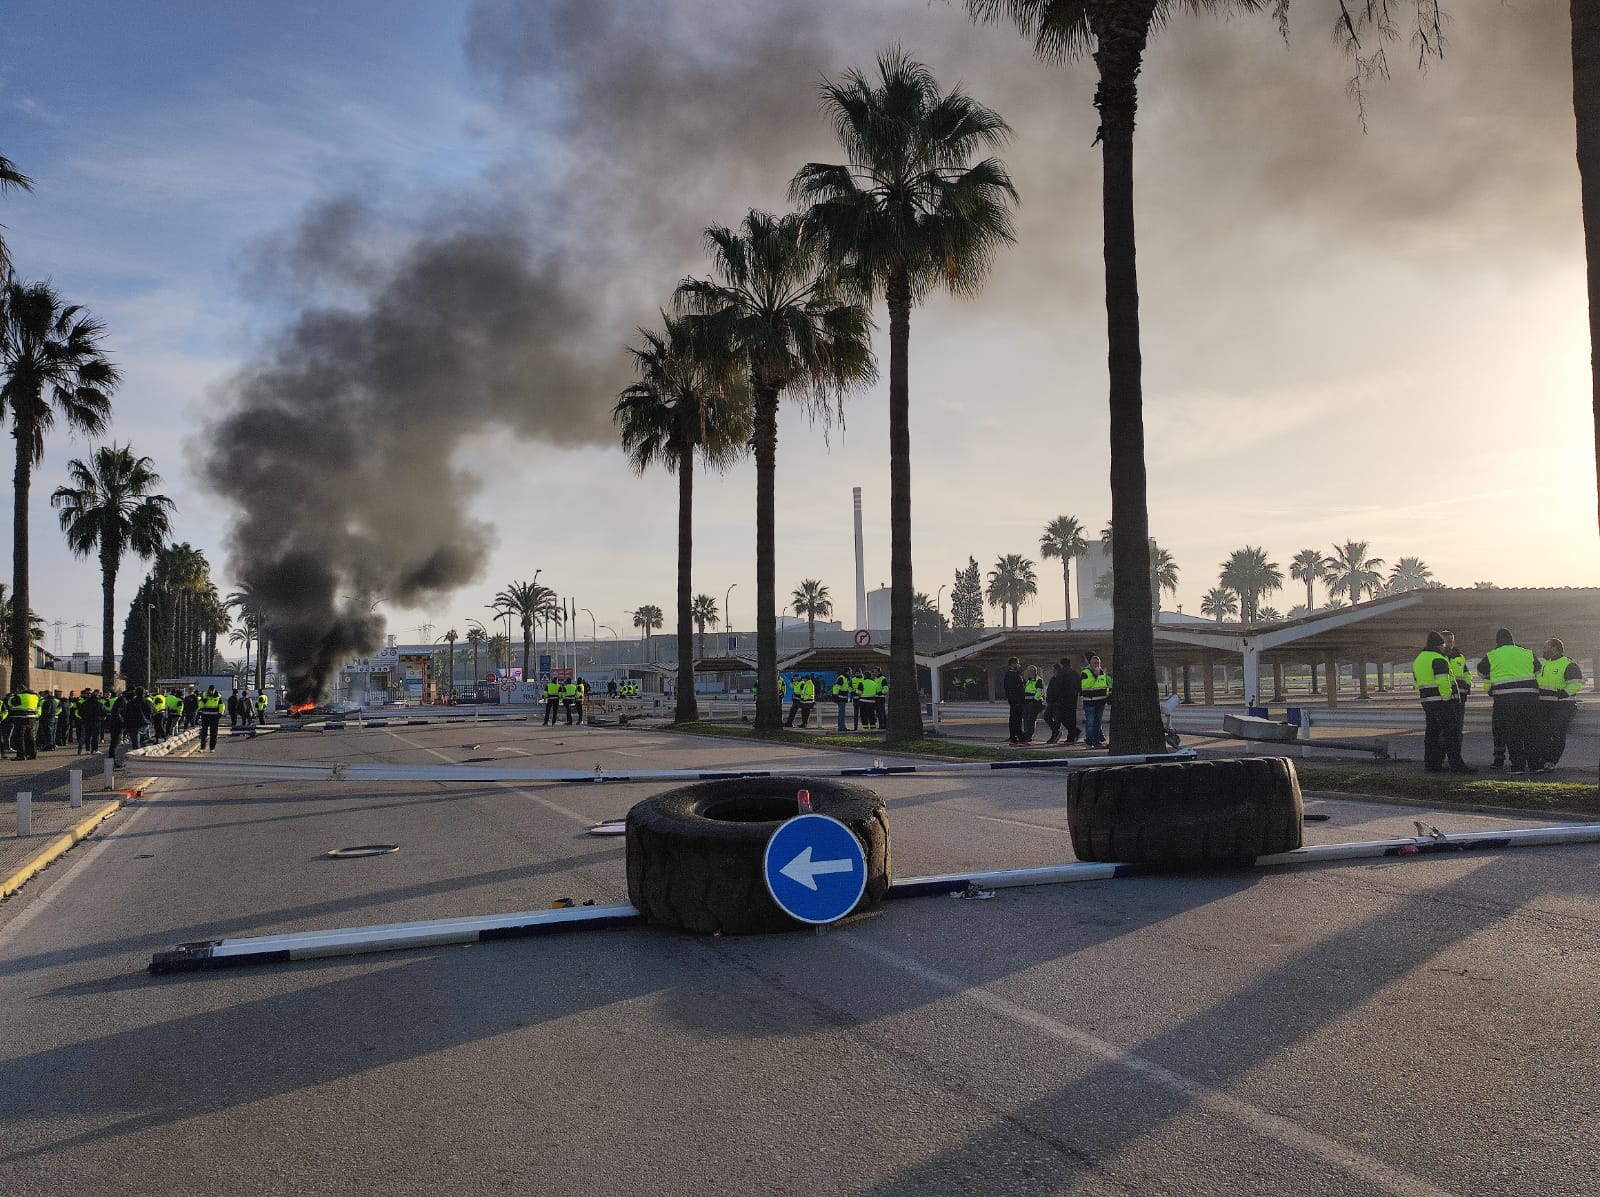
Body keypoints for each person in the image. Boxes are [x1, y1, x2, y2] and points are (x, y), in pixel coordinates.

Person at [1477, 628, 1542, 775]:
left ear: (1498, 641)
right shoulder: (1527, 652)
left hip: (1505, 698)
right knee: (1531, 731)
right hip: (1529, 697)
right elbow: (1538, 670)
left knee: (1513, 732)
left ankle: (1518, 766)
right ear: (1513, 640)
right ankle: (1535, 764)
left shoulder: (1492, 655)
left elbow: (1481, 671)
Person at [1413, 630, 1472, 773]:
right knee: (1451, 735)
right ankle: (1457, 765)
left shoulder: (1419, 659)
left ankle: (1432, 764)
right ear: (1439, 644)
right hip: (1442, 702)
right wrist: (1448, 699)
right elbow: (1443, 682)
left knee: (1432, 734)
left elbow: (1416, 683)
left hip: (1428, 701)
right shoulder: (1438, 658)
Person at [1536, 637, 1584, 768]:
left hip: (1562, 705)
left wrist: (1560, 695)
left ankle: (1551, 761)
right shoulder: (1543, 664)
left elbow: (1576, 685)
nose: (1543, 650)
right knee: (1543, 734)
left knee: (1556, 733)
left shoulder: (1568, 664)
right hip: (1544, 704)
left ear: (1554, 649)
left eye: (1545, 647)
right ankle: (1543, 760)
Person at [1080, 654, 1112, 748]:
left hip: (1100, 702)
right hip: (1090, 702)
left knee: (1098, 722)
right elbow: (1084, 686)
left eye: (1098, 663)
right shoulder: (1085, 672)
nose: (1096, 664)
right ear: (1090, 663)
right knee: (1090, 722)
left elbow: (1105, 686)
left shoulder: (1102, 672)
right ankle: (1089, 742)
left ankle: (1096, 741)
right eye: (1094, 663)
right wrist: (1094, 676)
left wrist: (1107, 696)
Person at [6, 685, 41, 760]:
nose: (16, 691)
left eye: (17, 690)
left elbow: (10, 703)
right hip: (31, 719)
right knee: (30, 737)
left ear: (20, 690)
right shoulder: (35, 696)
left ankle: (20, 755)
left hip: (21, 718)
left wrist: (13, 696)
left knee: (19, 737)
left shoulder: (19, 696)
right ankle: (32, 754)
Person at [1002, 656, 1027, 745]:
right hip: (1017, 701)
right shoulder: (1012, 675)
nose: (1019, 665)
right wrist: (1016, 700)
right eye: (1017, 663)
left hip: (1015, 701)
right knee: (1017, 720)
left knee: (1014, 720)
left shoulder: (1013, 674)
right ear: (1013, 664)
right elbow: (1013, 689)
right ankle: (1020, 739)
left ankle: (1014, 738)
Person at [1021, 665, 1045, 743]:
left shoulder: (1038, 680)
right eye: (1028, 671)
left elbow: (1039, 692)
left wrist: (1033, 701)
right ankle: (1026, 734)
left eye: (1029, 671)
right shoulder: (1029, 680)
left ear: (1034, 672)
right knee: (1026, 719)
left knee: (1030, 720)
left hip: (1034, 704)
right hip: (1027, 703)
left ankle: (1028, 736)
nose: (1028, 673)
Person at [197, 685, 224, 751]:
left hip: (214, 717)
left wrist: (220, 713)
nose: (211, 692)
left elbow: (222, 706)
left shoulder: (218, 696)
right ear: (208, 690)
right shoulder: (204, 695)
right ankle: (202, 747)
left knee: (213, 733)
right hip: (205, 716)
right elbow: (200, 705)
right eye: (210, 690)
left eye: (212, 690)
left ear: (214, 690)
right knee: (204, 733)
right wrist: (204, 700)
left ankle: (212, 748)